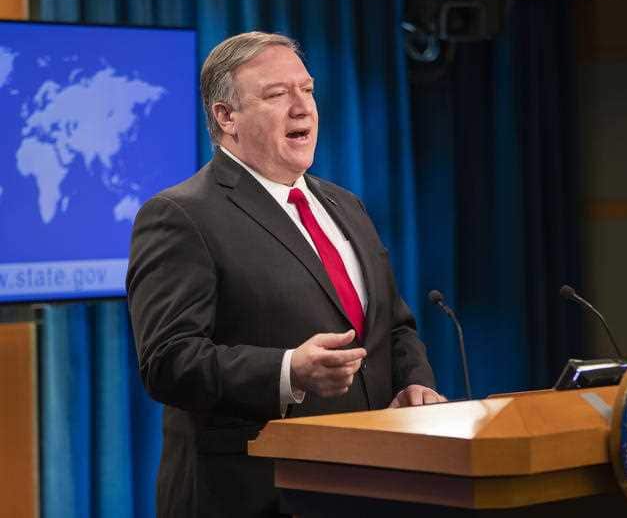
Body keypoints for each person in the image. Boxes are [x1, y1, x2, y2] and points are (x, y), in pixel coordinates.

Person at [126, 32, 445, 517]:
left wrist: (415, 382)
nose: (303, 108)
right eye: (277, 95)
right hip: (254, 493)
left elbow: (393, 326)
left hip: (370, 484)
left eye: (308, 90)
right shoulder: (180, 215)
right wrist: (287, 370)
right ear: (225, 117)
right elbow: (169, 361)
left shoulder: (344, 205)